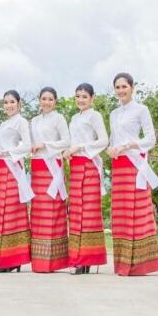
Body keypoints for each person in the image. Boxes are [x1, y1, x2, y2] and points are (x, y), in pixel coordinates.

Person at [107, 72, 158, 276]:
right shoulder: (113, 113)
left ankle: (140, 264)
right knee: (121, 212)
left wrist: (130, 144)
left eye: (124, 87)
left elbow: (151, 139)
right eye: (117, 87)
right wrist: (111, 149)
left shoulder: (141, 109)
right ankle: (122, 263)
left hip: (134, 164)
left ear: (132, 87)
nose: (121, 91)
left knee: (137, 210)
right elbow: (113, 139)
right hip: (118, 165)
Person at [0, 90, 34, 273]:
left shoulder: (21, 122)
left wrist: (5, 152)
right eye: (5, 102)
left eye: (12, 102)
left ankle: (12, 259)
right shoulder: (4, 124)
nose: (8, 105)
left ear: (19, 103)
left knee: (12, 211)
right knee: (3, 212)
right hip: (3, 170)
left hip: (13, 170)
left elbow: (27, 145)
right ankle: (5, 260)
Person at [64, 83, 109, 274]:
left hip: (89, 166)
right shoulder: (74, 118)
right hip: (75, 167)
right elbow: (71, 142)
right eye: (77, 96)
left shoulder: (95, 115)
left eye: (84, 96)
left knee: (88, 212)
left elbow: (104, 140)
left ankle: (88, 258)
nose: (80, 100)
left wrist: (80, 147)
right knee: (76, 212)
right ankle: (76, 257)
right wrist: (68, 151)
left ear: (92, 98)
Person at [29, 86, 72, 273]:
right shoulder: (33, 121)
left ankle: (54, 262)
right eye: (43, 99)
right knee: (38, 211)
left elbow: (67, 141)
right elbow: (30, 143)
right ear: (39, 100)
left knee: (53, 210)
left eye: (50, 99)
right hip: (37, 168)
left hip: (52, 167)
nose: (46, 102)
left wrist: (45, 145)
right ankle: (38, 262)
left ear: (55, 101)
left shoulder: (59, 118)